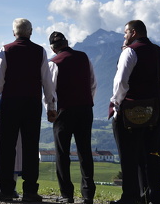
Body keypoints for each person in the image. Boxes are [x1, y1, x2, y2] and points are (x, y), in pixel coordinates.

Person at [108, 20, 160, 204]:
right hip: (154, 112)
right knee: (153, 156)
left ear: (133, 32)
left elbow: (121, 82)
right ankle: (155, 196)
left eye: (125, 33)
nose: (124, 36)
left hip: (129, 111)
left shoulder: (130, 52)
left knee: (129, 156)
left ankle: (130, 197)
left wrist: (117, 104)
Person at [0, 18, 56, 202]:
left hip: (10, 103)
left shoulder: (6, 50)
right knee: (31, 147)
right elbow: (47, 81)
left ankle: (7, 190)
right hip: (32, 104)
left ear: (13, 32)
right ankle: (30, 191)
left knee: (7, 146)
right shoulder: (39, 51)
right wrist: (51, 106)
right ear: (30, 32)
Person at [47, 32, 97, 204]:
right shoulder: (83, 57)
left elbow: (50, 90)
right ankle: (88, 194)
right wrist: (87, 100)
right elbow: (93, 82)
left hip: (64, 110)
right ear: (66, 42)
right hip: (85, 109)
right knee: (85, 150)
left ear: (53, 48)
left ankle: (67, 194)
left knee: (62, 152)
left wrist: (50, 110)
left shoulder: (54, 63)